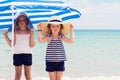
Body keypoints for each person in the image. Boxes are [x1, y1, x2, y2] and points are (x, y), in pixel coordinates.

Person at [3, 12, 35, 80]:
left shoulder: (30, 31)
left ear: (27, 21)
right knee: (17, 74)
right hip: (17, 54)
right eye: (19, 20)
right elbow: (12, 45)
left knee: (28, 75)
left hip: (27, 54)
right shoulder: (15, 32)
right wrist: (6, 37)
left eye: (23, 20)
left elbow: (32, 45)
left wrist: (32, 36)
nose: (21, 21)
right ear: (16, 22)